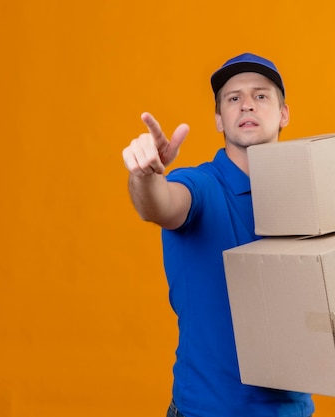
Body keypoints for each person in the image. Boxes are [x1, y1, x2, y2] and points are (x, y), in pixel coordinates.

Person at [122, 53, 315, 417]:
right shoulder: (202, 185)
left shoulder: (307, 199)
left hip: (293, 411)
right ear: (218, 119)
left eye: (260, 96)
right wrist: (145, 175)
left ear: (284, 113)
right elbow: (160, 205)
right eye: (233, 98)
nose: (246, 105)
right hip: (208, 411)